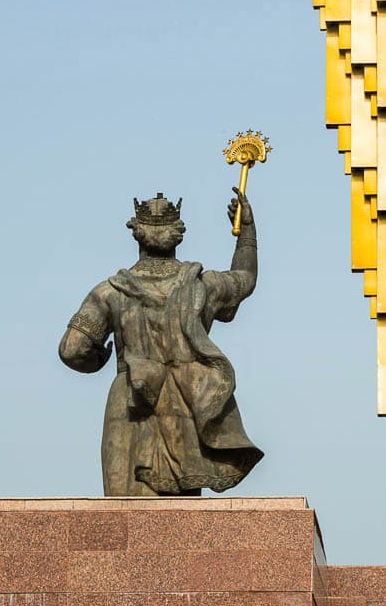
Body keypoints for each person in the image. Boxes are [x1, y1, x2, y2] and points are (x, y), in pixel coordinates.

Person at [59, 189, 263, 495]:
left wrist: (98, 359)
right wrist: (247, 231)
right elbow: (245, 277)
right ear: (178, 235)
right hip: (184, 400)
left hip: (129, 400)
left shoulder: (110, 291)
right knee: (179, 521)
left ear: (137, 235)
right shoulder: (203, 286)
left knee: (123, 512)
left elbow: (72, 350)